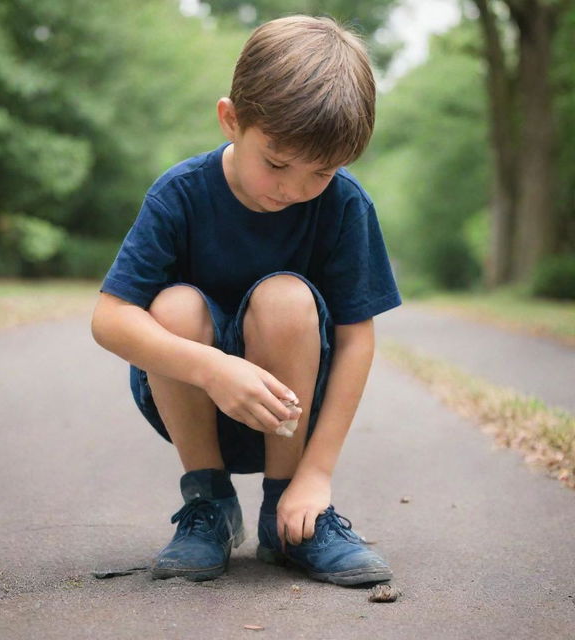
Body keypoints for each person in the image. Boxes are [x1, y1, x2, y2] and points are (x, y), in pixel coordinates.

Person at [91, 14, 401, 586]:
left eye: (323, 172)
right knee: (174, 306)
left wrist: (317, 473)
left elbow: (357, 340)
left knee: (285, 298)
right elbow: (108, 319)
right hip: (193, 400)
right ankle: (208, 503)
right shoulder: (180, 194)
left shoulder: (344, 207)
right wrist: (211, 368)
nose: (294, 188)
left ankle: (291, 517)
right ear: (231, 119)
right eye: (278, 163)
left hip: (294, 412)